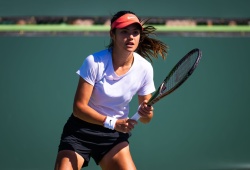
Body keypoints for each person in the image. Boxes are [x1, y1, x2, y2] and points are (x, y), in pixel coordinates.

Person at [54, 10, 168, 170]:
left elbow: (146, 118)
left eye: (135, 33)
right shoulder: (94, 62)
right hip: (80, 131)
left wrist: (146, 113)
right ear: (112, 34)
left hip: (112, 138)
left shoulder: (145, 68)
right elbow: (79, 108)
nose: (131, 37)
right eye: (124, 32)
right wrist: (112, 122)